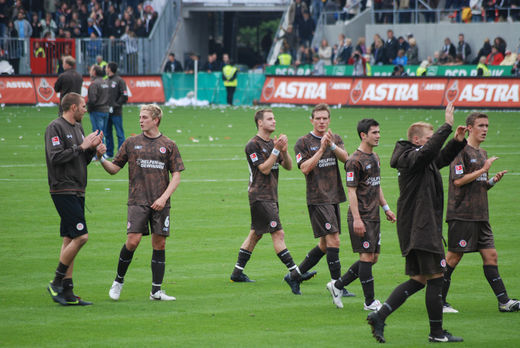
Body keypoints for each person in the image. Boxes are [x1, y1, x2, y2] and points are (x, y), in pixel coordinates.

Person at [367, 103, 466, 343]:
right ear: (417, 139)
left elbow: (438, 157)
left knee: (420, 279)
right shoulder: (411, 157)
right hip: (421, 228)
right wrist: (447, 125)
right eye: (429, 138)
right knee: (436, 277)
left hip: (418, 227)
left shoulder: (419, 159)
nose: (433, 142)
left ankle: (380, 315)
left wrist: (456, 140)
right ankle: (436, 333)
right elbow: (430, 152)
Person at [97, 104, 184, 301]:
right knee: (133, 240)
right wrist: (100, 157)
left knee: (159, 244)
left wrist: (163, 198)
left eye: (144, 117)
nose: (140, 120)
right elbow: (113, 169)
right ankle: (118, 281)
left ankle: (156, 291)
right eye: (140, 117)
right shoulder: (131, 142)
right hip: (137, 200)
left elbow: (176, 176)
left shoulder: (169, 144)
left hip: (160, 203)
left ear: (155, 120)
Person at [442, 112, 519, 313]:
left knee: (491, 255)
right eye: (481, 125)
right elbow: (458, 181)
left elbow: (478, 184)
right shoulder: (460, 151)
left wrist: (491, 180)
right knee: (453, 258)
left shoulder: (482, 153)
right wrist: (483, 169)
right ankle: (439, 301)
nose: (485, 129)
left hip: (481, 215)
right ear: (469, 128)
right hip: (461, 214)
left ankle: (504, 301)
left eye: (487, 125)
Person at [230, 109, 315, 283]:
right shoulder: (252, 145)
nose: (274, 121)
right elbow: (264, 169)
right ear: (260, 123)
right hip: (260, 196)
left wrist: (283, 150)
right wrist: (276, 150)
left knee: (256, 234)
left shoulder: (271, 144)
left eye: (274, 118)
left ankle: (237, 273)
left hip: (270, 195)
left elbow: (289, 166)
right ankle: (295, 273)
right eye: (270, 119)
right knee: (278, 233)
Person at [284, 103, 354, 297]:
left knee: (325, 245)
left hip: (334, 197)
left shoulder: (335, 138)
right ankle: (338, 286)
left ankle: (295, 276)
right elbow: (305, 168)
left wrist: (331, 145)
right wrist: (321, 150)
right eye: (318, 118)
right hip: (317, 198)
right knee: (334, 240)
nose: (322, 122)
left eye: (325, 118)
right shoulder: (303, 142)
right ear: (312, 120)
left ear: (329, 120)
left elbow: (346, 159)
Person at [327, 119, 396, 310]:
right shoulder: (354, 161)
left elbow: (376, 185)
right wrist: (357, 218)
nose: (378, 135)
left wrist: (386, 208)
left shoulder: (375, 158)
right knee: (366, 257)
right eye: (374, 132)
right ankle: (370, 302)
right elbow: (351, 191)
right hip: (362, 216)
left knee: (373, 258)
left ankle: (337, 285)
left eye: (379, 132)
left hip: (374, 215)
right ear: (363, 135)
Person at [45, 92, 103, 306]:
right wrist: (82, 147)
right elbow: (56, 157)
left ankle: (68, 292)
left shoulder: (78, 128)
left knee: (70, 238)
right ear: (72, 108)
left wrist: (94, 151)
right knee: (82, 236)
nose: (85, 110)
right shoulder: (55, 127)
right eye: (83, 106)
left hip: (78, 188)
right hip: (62, 188)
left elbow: (81, 158)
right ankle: (57, 281)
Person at [105, 62, 128, 158]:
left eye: (106, 67)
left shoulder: (119, 81)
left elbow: (125, 95)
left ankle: (121, 154)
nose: (105, 69)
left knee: (119, 133)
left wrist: (115, 105)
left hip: (116, 112)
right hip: (106, 112)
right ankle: (109, 153)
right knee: (107, 133)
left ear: (110, 68)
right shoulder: (105, 81)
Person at [87, 65, 110, 141]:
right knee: (103, 134)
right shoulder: (106, 82)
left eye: (91, 70)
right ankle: (103, 151)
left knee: (97, 134)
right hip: (106, 110)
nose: (90, 72)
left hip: (97, 111)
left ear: (94, 72)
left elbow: (92, 100)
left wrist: (89, 109)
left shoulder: (94, 84)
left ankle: (99, 152)